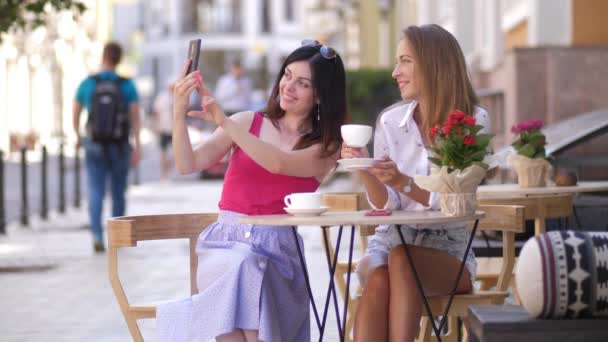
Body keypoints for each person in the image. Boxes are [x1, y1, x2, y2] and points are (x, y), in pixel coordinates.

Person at [156, 40, 347, 342]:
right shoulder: (248, 121)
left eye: (302, 83)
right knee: (240, 269)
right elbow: (188, 163)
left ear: (321, 94)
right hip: (224, 244)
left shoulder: (327, 147)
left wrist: (223, 122)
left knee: (247, 271)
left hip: (278, 256)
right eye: (286, 75)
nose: (288, 87)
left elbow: (279, 164)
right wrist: (179, 112)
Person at [342, 24, 491, 341]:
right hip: (390, 240)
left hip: (449, 249)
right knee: (382, 272)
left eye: (405, 60)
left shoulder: (472, 121)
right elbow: (387, 205)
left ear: (433, 63)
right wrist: (365, 168)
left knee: (401, 260)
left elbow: (454, 200)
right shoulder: (390, 122)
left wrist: (404, 182)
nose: (396, 71)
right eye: (397, 62)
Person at [73, 42, 141, 253]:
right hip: (120, 145)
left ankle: (96, 235)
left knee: (95, 190)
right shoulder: (126, 85)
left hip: (93, 144)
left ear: (103, 57)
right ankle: (118, 238)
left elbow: (75, 110)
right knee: (118, 192)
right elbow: (135, 116)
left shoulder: (88, 83)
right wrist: (137, 143)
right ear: (119, 60)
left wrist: (78, 135)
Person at [153, 81, 175, 179]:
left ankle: (167, 170)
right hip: (164, 127)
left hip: (174, 129)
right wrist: (156, 126)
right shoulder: (162, 98)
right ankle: (164, 173)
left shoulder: (177, 97)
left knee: (175, 153)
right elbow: (156, 113)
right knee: (163, 151)